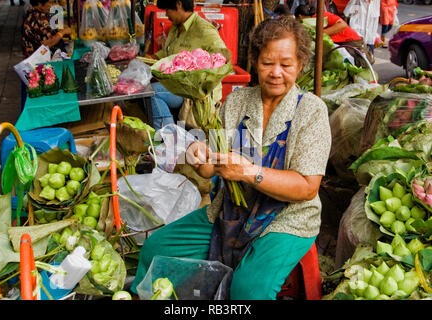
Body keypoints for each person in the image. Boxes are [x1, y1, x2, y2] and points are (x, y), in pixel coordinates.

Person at [130, 16, 332, 300]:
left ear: (299, 65)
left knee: (248, 291)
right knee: (155, 250)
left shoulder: (311, 111)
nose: (276, 73)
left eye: (286, 65)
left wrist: (250, 173)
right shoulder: (236, 102)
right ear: (255, 61)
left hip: (286, 217)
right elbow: (210, 168)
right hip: (232, 211)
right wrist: (200, 155)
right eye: (267, 63)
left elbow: (306, 187)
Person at [145, 0, 228, 130]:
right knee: (145, 91)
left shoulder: (203, 29)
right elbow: (169, 53)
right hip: (176, 85)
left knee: (151, 92)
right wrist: (151, 58)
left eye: (168, 9)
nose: (166, 15)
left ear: (178, 4)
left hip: (193, 92)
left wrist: (201, 82)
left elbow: (223, 58)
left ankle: (169, 139)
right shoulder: (175, 27)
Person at [295, 4, 373, 66]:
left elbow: (342, 25)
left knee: (357, 64)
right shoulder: (312, 21)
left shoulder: (321, 16)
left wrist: (321, 33)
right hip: (342, 44)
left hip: (352, 42)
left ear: (300, 16)